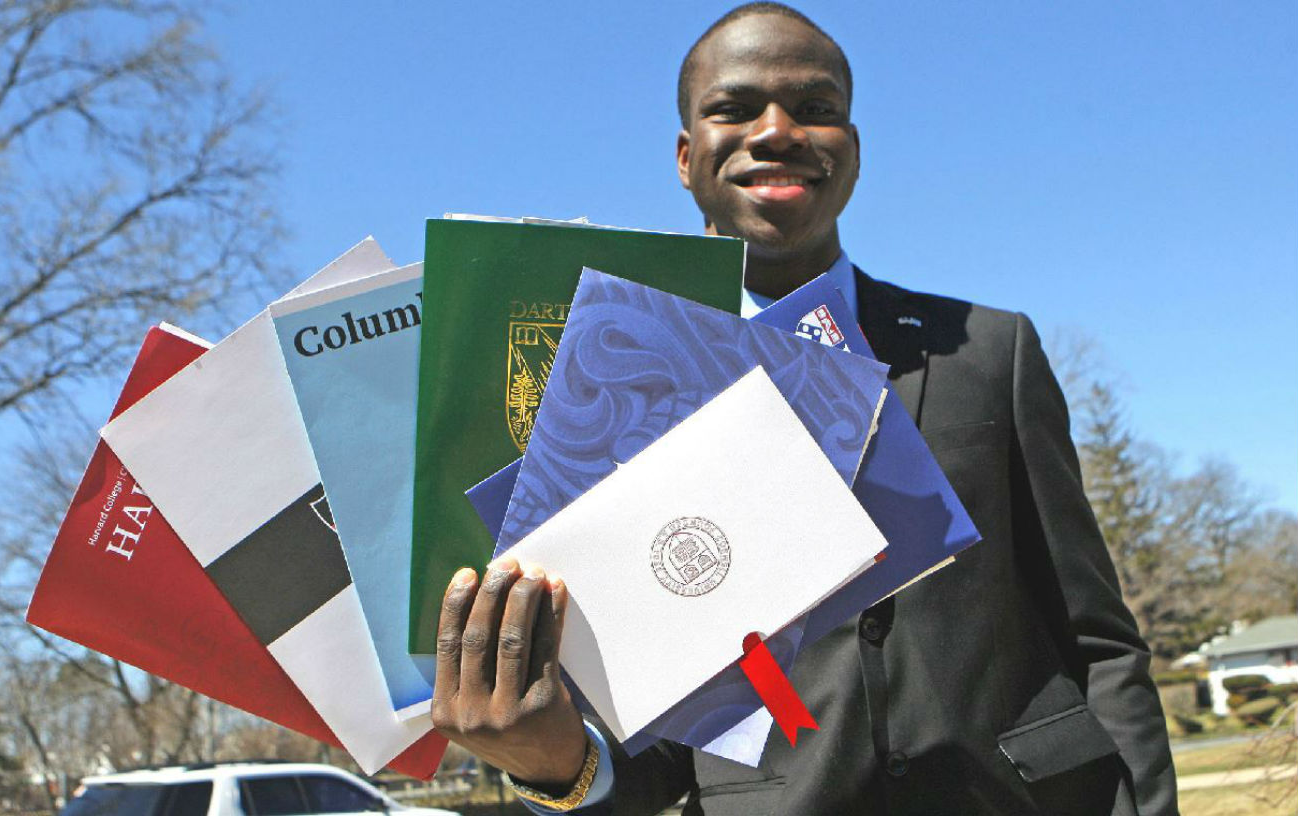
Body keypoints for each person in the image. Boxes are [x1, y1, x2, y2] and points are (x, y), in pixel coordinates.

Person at [430, 4, 1179, 814]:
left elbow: (1098, 639)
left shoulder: (991, 353)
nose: (779, 129)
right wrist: (551, 764)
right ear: (687, 157)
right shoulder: (607, 406)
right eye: (735, 107)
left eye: (816, 109)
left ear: (851, 152)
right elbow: (653, 752)